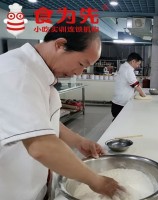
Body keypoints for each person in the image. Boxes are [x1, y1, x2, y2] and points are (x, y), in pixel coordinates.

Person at [0, 17, 123, 200]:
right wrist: (96, 181)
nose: (79, 73)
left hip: (34, 185)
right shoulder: (17, 72)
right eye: (81, 64)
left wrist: (79, 141)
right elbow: (40, 146)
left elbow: (44, 122)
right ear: (60, 45)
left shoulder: (39, 73)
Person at [111, 52, 146, 119]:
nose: (138, 66)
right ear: (133, 61)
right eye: (138, 64)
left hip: (117, 101)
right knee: (120, 122)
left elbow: (132, 83)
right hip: (121, 103)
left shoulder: (123, 66)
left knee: (117, 121)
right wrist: (144, 95)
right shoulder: (128, 69)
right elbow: (136, 85)